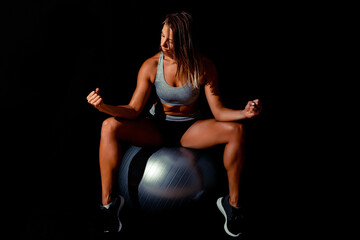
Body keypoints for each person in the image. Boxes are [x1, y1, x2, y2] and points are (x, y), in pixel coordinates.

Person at [87, 12, 262, 237]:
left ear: (185, 40)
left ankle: (233, 206)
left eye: (170, 39)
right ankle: (108, 206)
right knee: (109, 125)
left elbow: (218, 111)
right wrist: (104, 107)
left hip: (190, 128)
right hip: (156, 127)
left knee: (237, 130)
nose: (163, 43)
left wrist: (245, 113)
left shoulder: (204, 67)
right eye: (161, 36)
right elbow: (133, 111)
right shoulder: (151, 65)